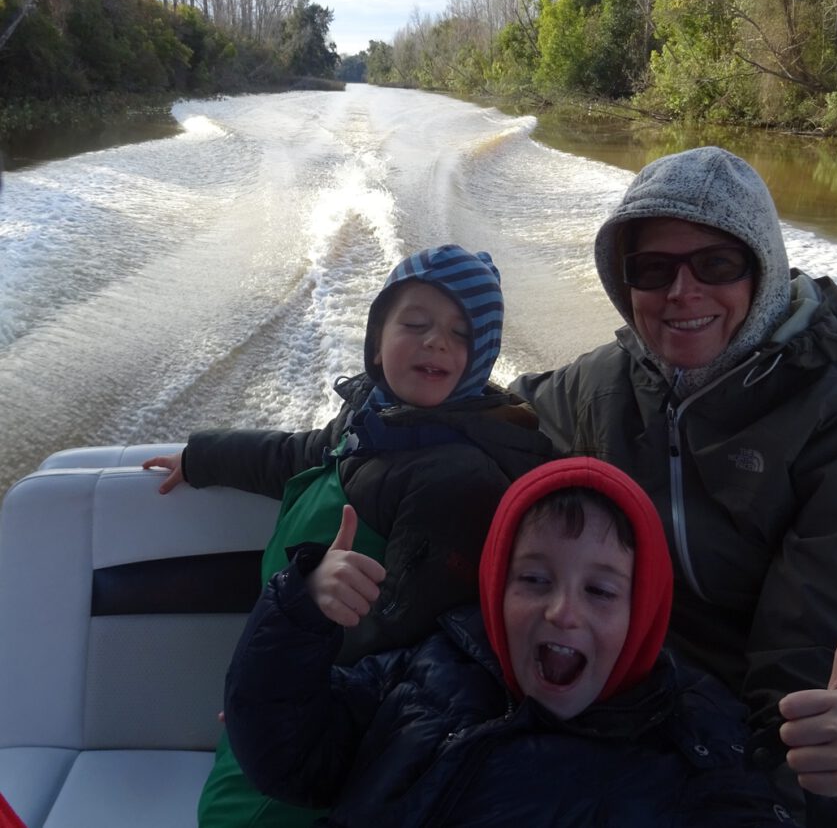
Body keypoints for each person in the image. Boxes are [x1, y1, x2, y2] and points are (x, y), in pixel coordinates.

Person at [509, 147, 837, 825]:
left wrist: (786, 784)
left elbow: (823, 659)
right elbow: (507, 416)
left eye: (717, 265)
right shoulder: (609, 383)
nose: (681, 292)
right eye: (653, 269)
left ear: (764, 270)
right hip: (678, 694)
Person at [224, 456, 837, 827]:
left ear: (645, 610)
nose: (562, 612)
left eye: (601, 591)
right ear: (494, 589)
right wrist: (301, 610)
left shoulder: (694, 753)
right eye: (533, 579)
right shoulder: (424, 668)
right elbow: (286, 757)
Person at [143, 244, 553, 828]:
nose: (436, 341)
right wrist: (203, 457)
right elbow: (295, 454)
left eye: (461, 334)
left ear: (481, 356)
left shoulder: (457, 479)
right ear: (377, 336)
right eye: (415, 323)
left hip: (330, 728)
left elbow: (406, 638)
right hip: (282, 685)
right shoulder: (372, 420)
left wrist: (277, 696)